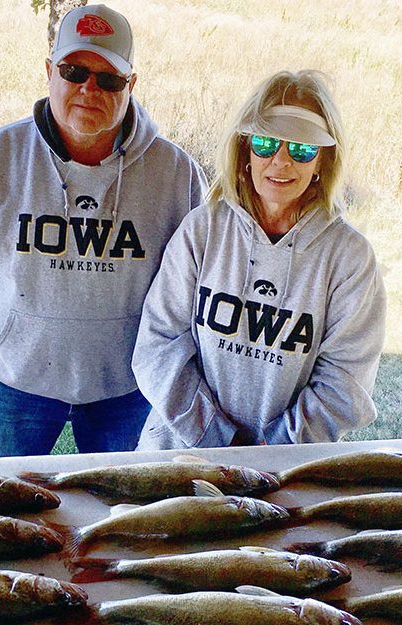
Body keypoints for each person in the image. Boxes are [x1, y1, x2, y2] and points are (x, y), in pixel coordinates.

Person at [0, 4, 206, 457]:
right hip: (17, 384)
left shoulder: (177, 175)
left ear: (131, 85)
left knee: (131, 520)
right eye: (74, 71)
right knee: (0, 520)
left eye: (108, 79)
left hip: (131, 389)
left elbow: (199, 292)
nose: (89, 89)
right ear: (50, 71)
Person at [132, 70, 385, 450]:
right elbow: (158, 344)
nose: (281, 161)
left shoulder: (350, 258)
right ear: (245, 150)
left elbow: (344, 383)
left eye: (301, 149)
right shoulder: (203, 229)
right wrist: (220, 441)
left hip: (286, 469)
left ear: (322, 162)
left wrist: (270, 456)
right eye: (266, 143)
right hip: (177, 456)